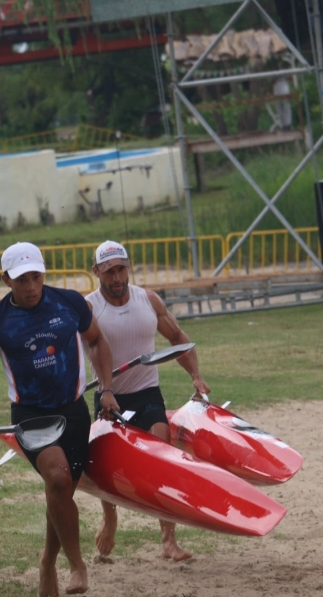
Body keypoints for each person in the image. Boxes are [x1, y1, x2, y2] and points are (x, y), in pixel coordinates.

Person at [0, 242, 119, 597]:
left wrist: (106, 389)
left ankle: (47, 562)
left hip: (73, 411)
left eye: (36, 277)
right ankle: (76, 565)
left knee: (61, 492)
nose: (31, 286)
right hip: (31, 415)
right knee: (56, 477)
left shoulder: (69, 303)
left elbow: (98, 341)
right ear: (6, 279)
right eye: (22, 279)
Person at [85, 240, 211, 563]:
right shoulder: (87, 308)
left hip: (146, 393)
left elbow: (177, 339)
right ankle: (110, 517)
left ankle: (169, 539)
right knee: (107, 465)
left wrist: (195, 375)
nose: (116, 278)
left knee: (163, 459)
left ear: (129, 267)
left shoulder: (148, 300)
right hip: (109, 394)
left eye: (121, 269)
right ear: (96, 271)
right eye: (109, 271)